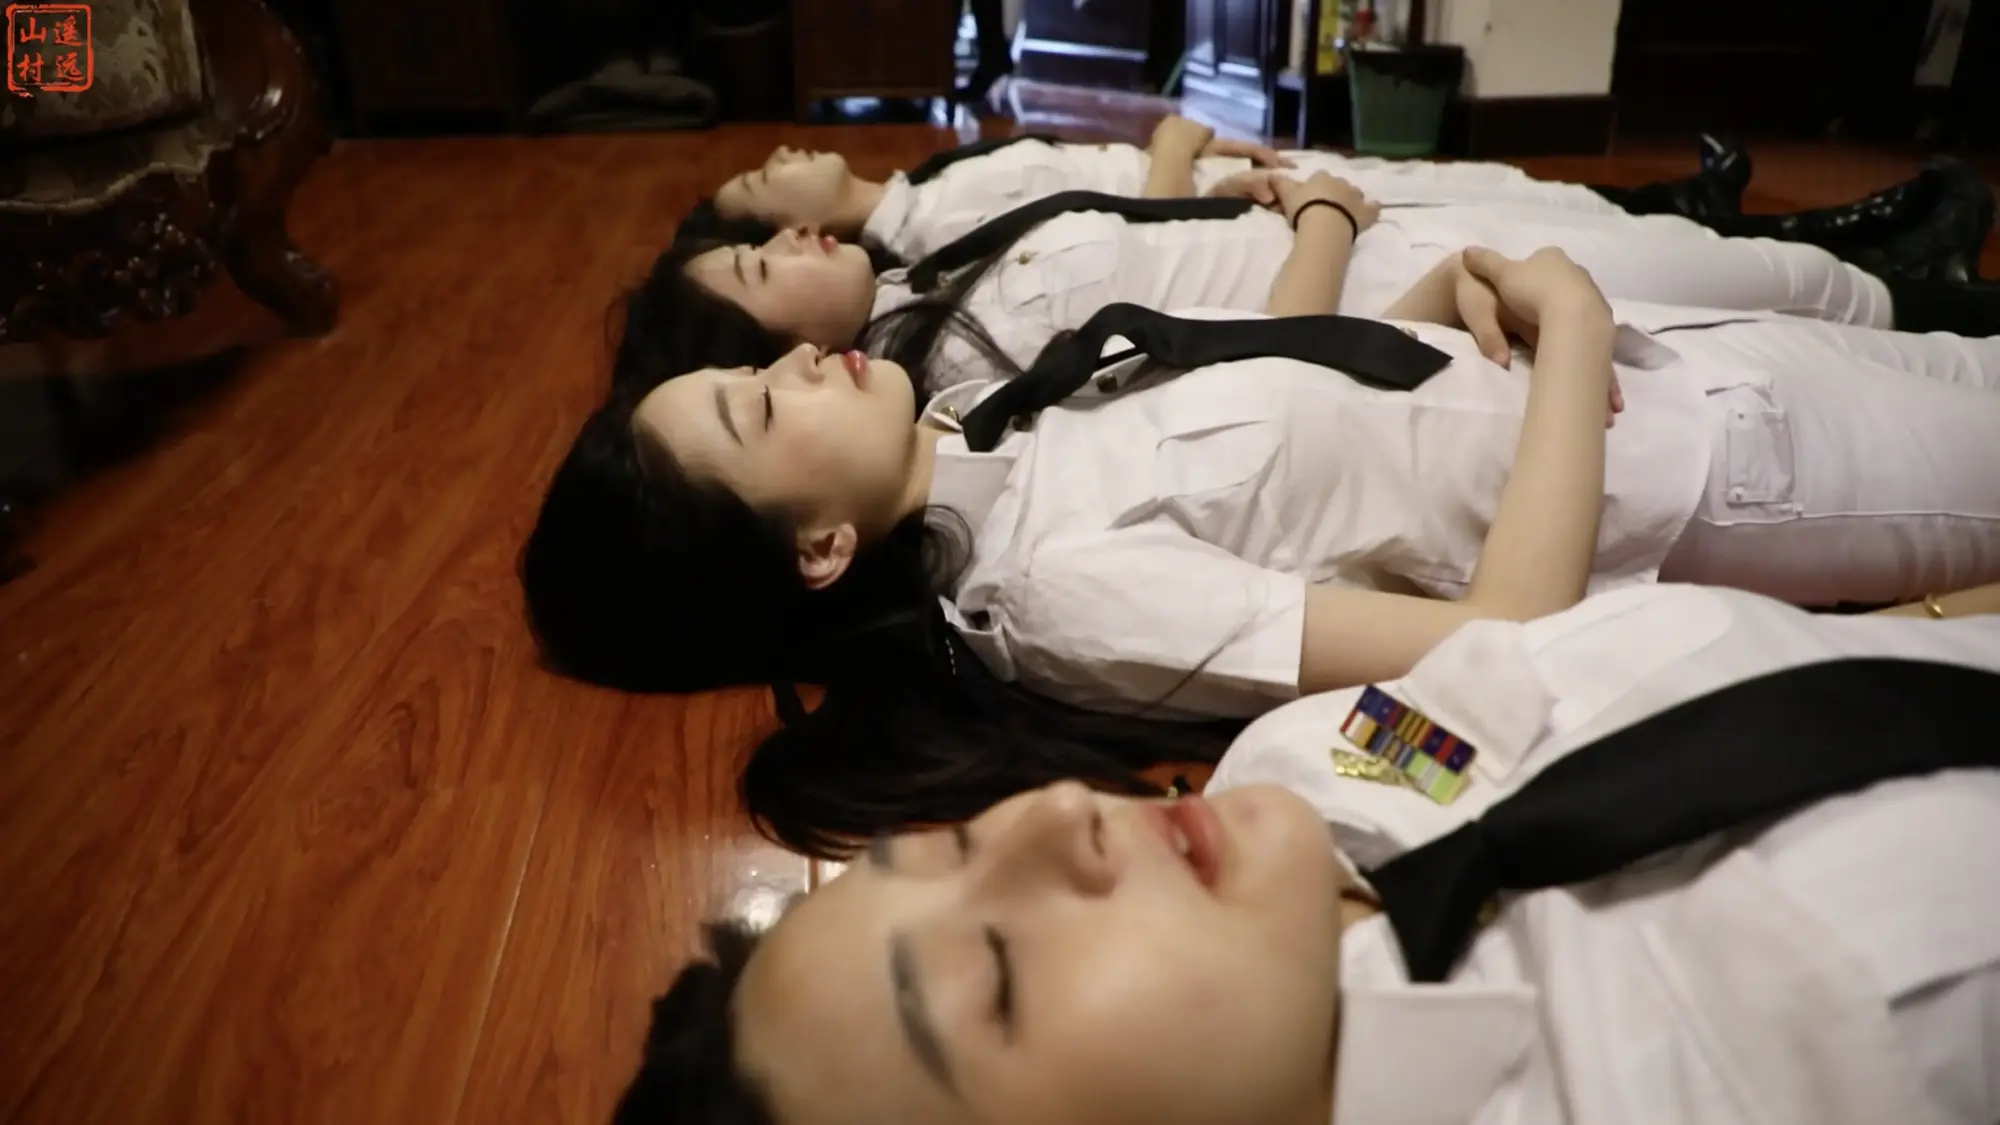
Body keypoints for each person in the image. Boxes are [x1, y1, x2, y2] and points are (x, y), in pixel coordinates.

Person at [520, 242, 2000, 845]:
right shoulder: (1055, 595)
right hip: (1719, 470)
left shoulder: (984, 428)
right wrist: (1572, 332)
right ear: (819, 551)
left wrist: (1435, 304)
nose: (793, 360)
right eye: (757, 406)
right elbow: (1496, 645)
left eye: (753, 364)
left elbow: (1319, 463)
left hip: (1648, 374)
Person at [612, 582, 2000, 1125]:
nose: (1050, 819)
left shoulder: (1308, 762)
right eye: (999, 976)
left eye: (959, 840)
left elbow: (1506, 729)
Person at [639, 153, 2000, 401]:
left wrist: (1232, 203)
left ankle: (1916, 264)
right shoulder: (971, 364)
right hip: (1384, 276)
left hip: (1357, 233)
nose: (794, 246)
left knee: (1732, 266)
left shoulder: (927, 285)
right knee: (1755, 303)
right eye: (762, 265)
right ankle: (1937, 292)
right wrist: (1329, 220)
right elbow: (1260, 357)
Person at [680, 121, 1993, 285]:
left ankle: (1730, 208)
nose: (783, 162)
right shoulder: (924, 238)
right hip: (1244, 218)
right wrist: (1177, 155)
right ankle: (1863, 251)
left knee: (1507, 188)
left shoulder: (930, 175)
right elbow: (1113, 231)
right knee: (1558, 238)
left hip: (1243, 188)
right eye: (760, 184)